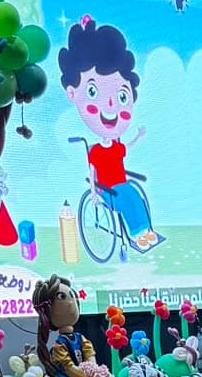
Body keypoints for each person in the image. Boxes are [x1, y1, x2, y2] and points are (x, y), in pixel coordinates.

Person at [59, 16, 159, 250]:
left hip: (122, 184)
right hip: (107, 189)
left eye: (122, 97)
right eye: (92, 91)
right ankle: (136, 234)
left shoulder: (116, 147)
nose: (111, 107)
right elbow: (92, 172)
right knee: (126, 198)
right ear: (73, 93)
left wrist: (139, 135)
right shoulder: (94, 151)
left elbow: (129, 146)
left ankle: (146, 230)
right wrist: (93, 194)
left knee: (135, 196)